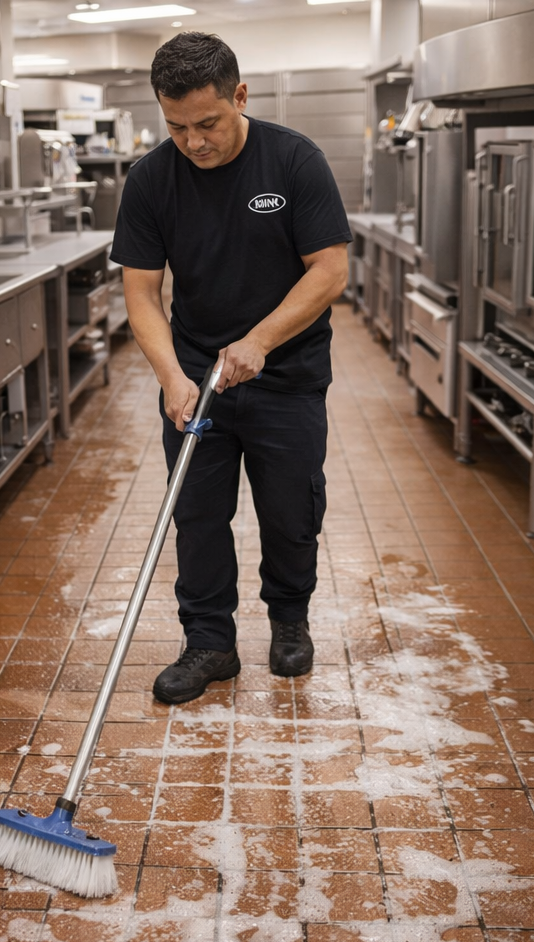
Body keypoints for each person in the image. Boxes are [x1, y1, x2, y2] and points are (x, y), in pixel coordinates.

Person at [110, 32, 350, 705]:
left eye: (208, 123)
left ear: (239, 96)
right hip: (197, 376)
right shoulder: (153, 178)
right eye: (177, 126)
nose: (195, 142)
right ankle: (210, 643)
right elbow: (141, 293)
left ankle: (289, 620)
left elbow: (330, 270)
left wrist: (260, 341)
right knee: (198, 512)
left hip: (285, 373)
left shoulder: (294, 161)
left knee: (290, 509)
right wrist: (170, 377)